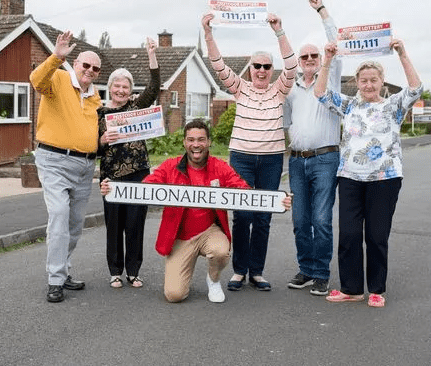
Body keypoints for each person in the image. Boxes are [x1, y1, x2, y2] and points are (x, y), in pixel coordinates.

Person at [101, 119, 292, 303]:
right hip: (181, 236)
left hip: (210, 231)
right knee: (174, 295)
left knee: (220, 251)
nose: (196, 145)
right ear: (184, 142)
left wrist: (275, 201)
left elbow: (242, 190)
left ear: (209, 142)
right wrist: (113, 189)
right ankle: (183, 273)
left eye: (201, 139)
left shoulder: (220, 167)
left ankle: (214, 280)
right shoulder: (170, 166)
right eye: (191, 140)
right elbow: (144, 188)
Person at [314, 38, 423, 308]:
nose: (369, 85)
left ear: (381, 81)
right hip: (350, 177)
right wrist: (327, 59)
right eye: (364, 80)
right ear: (357, 82)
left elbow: (416, 88)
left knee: (376, 235)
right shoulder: (349, 105)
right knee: (349, 234)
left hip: (385, 180)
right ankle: (351, 288)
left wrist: (402, 53)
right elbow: (320, 93)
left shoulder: (393, 106)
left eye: (373, 80)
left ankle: (376, 289)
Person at [202, 11, 297, 292]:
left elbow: (291, 66)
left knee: (263, 217)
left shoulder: (279, 90)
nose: (261, 70)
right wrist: (208, 33)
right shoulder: (239, 89)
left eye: (267, 66)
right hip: (241, 158)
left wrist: (279, 31)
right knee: (242, 215)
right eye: (257, 65)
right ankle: (239, 271)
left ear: (271, 70)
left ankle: (257, 271)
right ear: (250, 67)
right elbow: (217, 65)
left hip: (270, 160)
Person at [30, 31, 103, 303]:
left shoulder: (95, 97)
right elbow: (36, 81)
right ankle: (55, 279)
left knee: (74, 225)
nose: (90, 71)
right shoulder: (58, 78)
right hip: (54, 161)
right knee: (59, 216)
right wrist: (56, 57)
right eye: (86, 65)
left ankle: (63, 270)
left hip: (85, 167)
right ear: (75, 64)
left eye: (96, 68)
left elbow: (93, 132)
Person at [284, 0, 341, 296]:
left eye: (313, 57)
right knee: (299, 219)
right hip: (296, 160)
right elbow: (285, 124)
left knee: (321, 218)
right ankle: (306, 269)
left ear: (320, 59)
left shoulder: (331, 80)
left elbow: (336, 41)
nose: (308, 61)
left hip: (325, 159)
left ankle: (320, 272)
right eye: (303, 58)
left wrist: (322, 11)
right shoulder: (291, 90)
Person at [97, 37, 160, 289]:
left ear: (130, 89)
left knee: (135, 224)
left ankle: (133, 271)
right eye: (117, 86)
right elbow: (91, 146)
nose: (121, 91)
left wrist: (151, 54)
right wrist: (101, 139)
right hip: (111, 177)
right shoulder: (99, 113)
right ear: (110, 88)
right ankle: (115, 271)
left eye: (126, 87)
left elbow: (155, 87)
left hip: (138, 173)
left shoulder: (136, 106)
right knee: (114, 225)